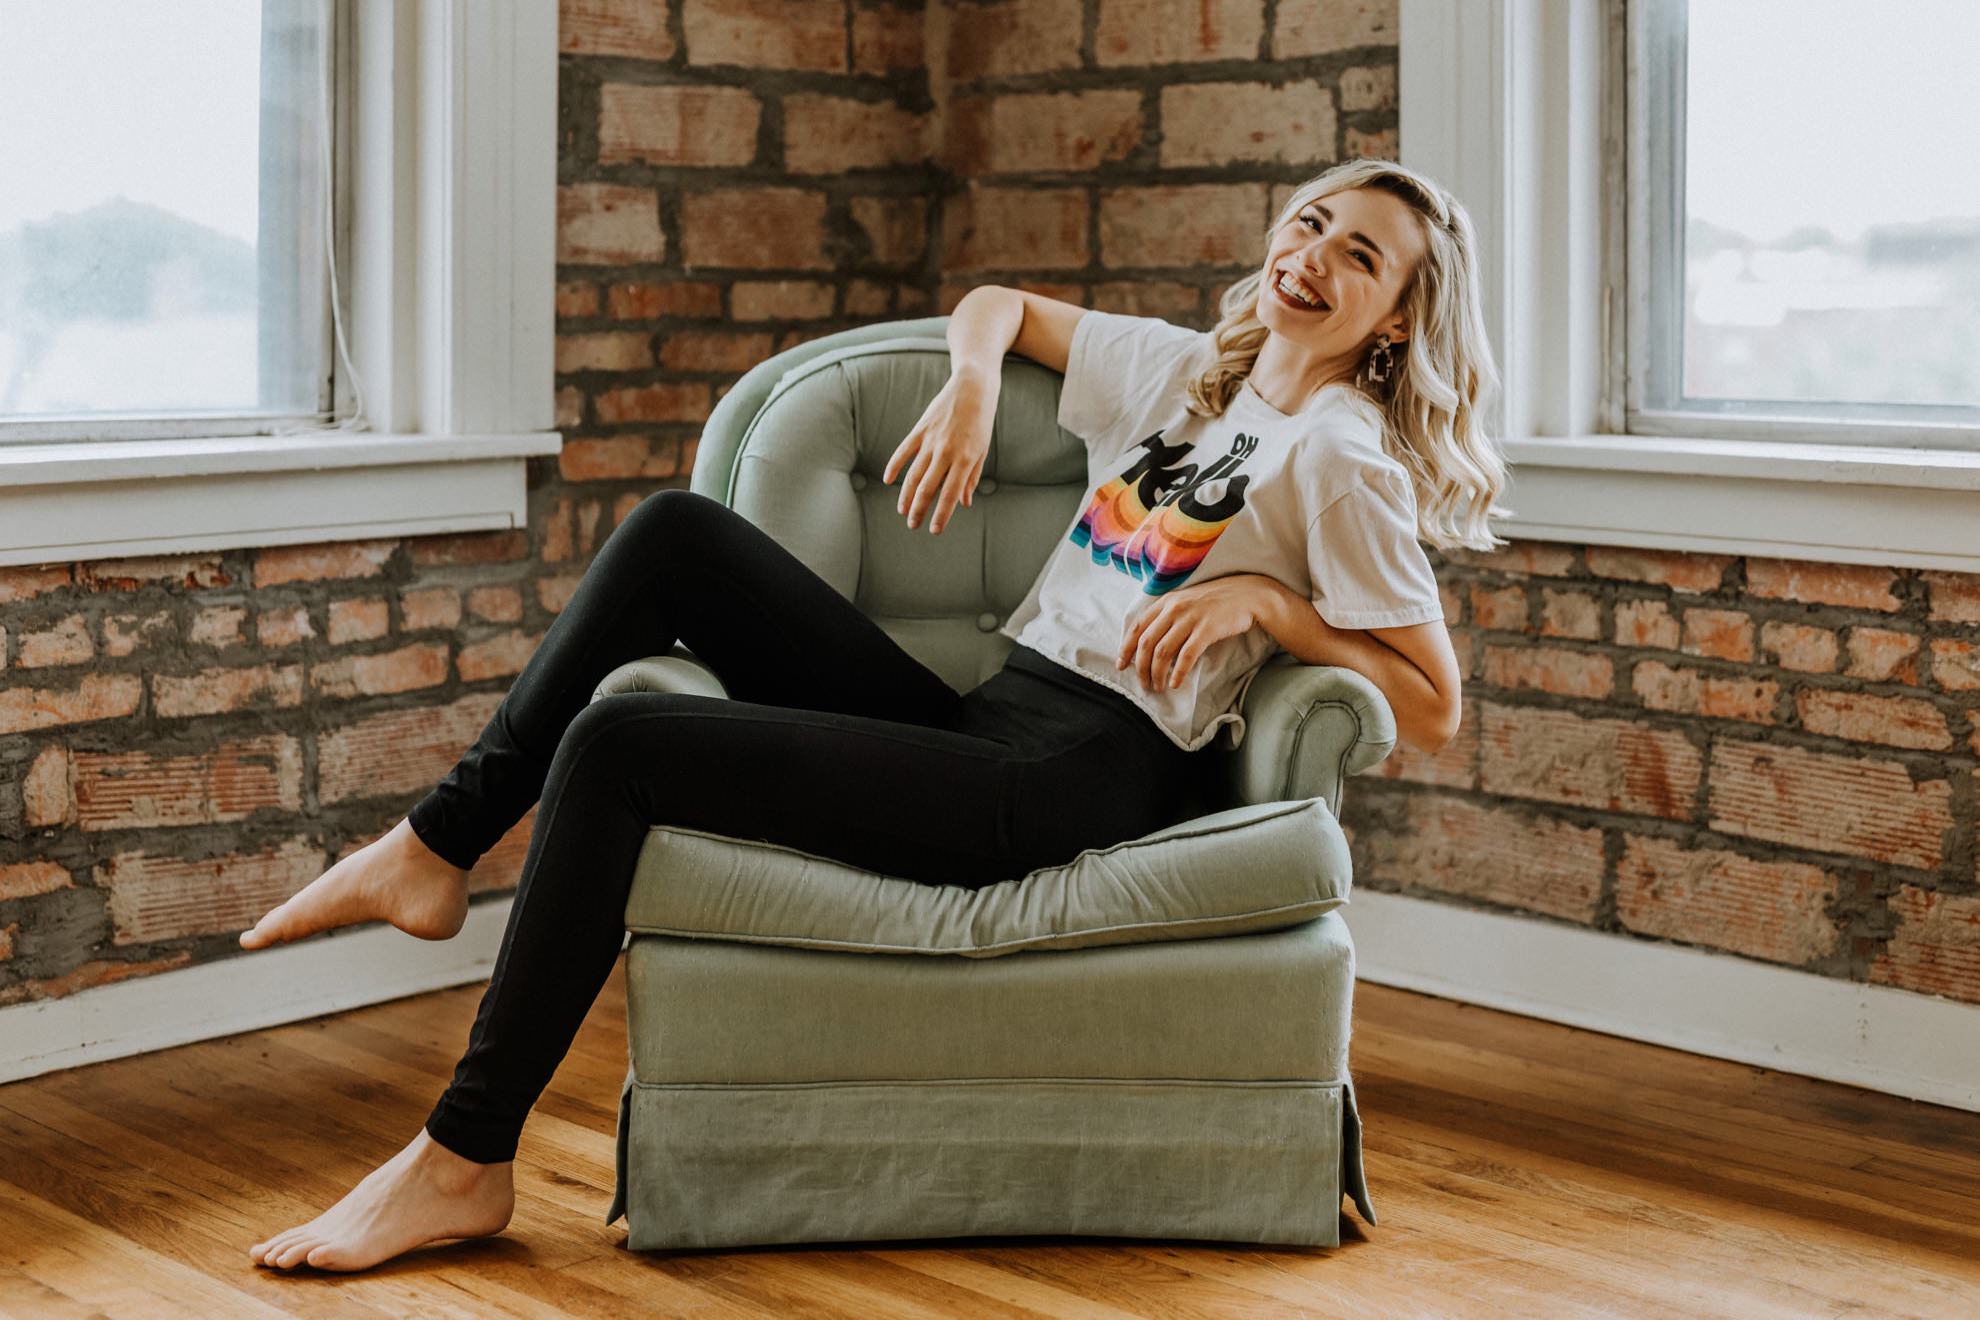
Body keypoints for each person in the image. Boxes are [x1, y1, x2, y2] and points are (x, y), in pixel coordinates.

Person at [236, 156, 1508, 1273]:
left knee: (624, 746)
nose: (1315, 260)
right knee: (678, 536)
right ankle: (434, 849)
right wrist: (967, 384)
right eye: (1312, 224)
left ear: (1395, 319)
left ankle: (465, 1157)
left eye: (1361, 258)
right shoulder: (1193, 375)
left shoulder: (1340, 457)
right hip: (995, 712)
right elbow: (998, 305)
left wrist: (1270, 614)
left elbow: (1432, 707)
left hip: (1073, 776)